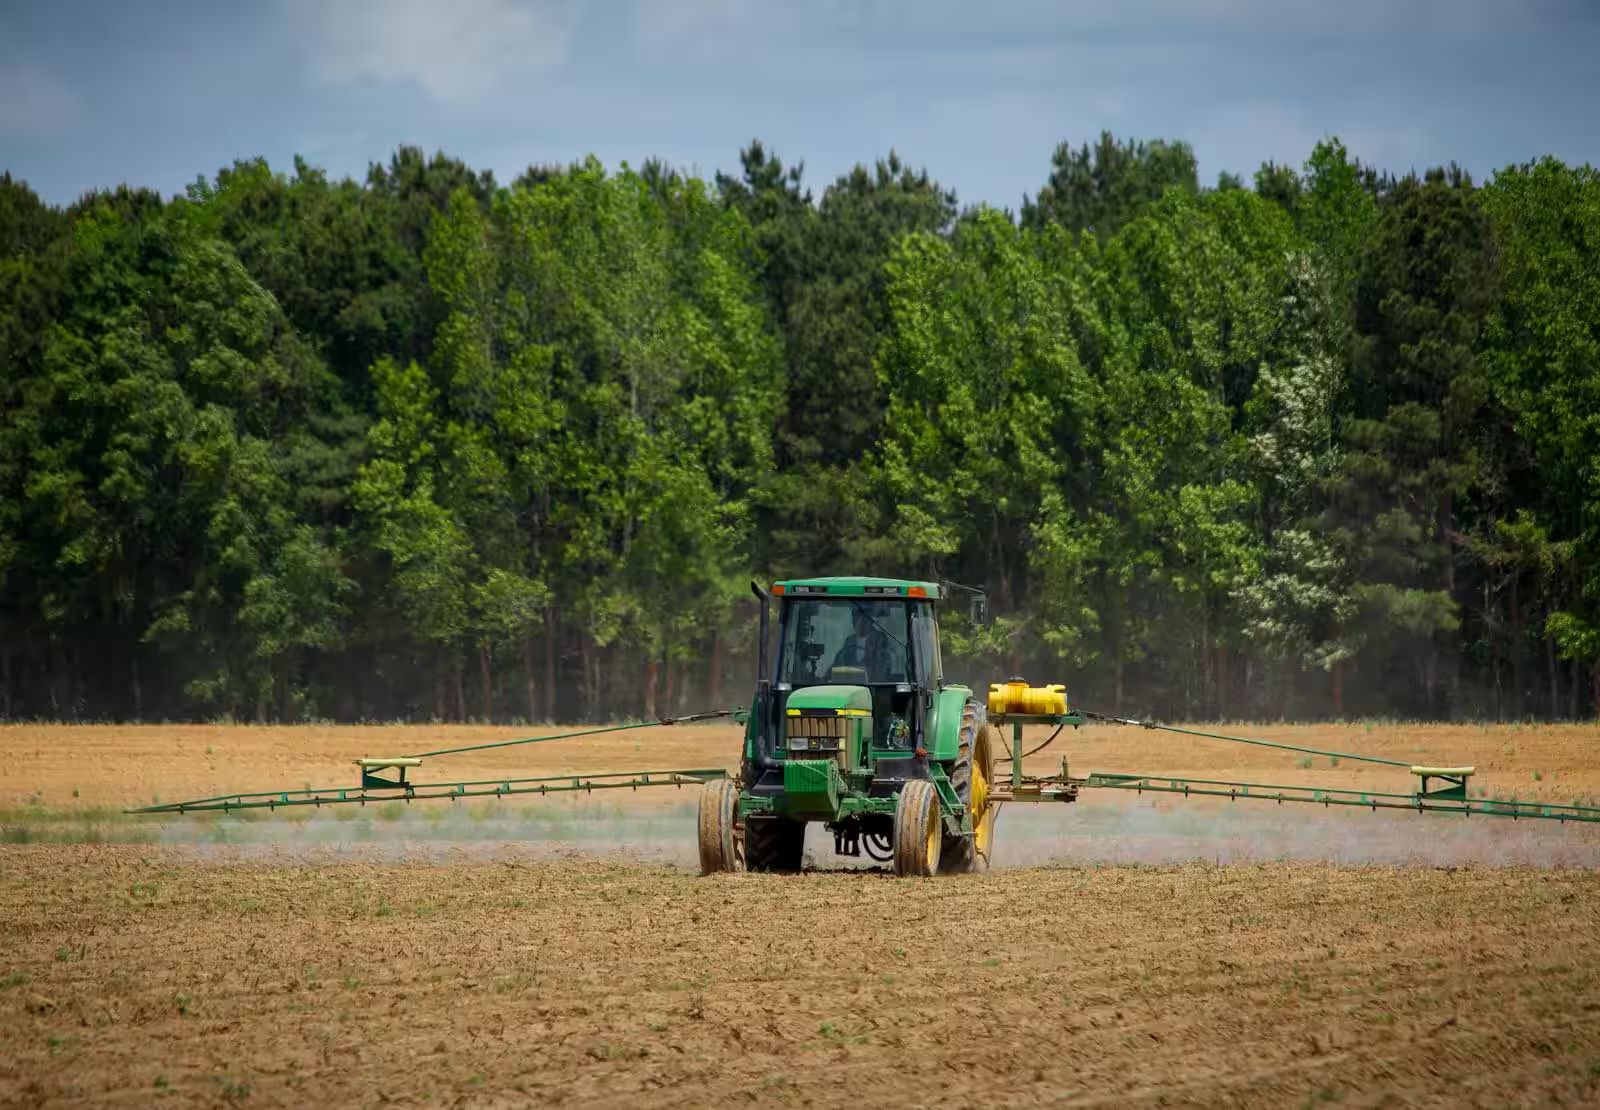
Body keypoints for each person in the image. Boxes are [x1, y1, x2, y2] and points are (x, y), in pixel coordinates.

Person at [831, 605, 884, 679]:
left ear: (870, 621)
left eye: (863, 619)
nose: (859, 622)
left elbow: (883, 668)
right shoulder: (849, 641)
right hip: (850, 684)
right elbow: (838, 664)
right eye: (855, 618)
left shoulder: (880, 640)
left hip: (875, 686)